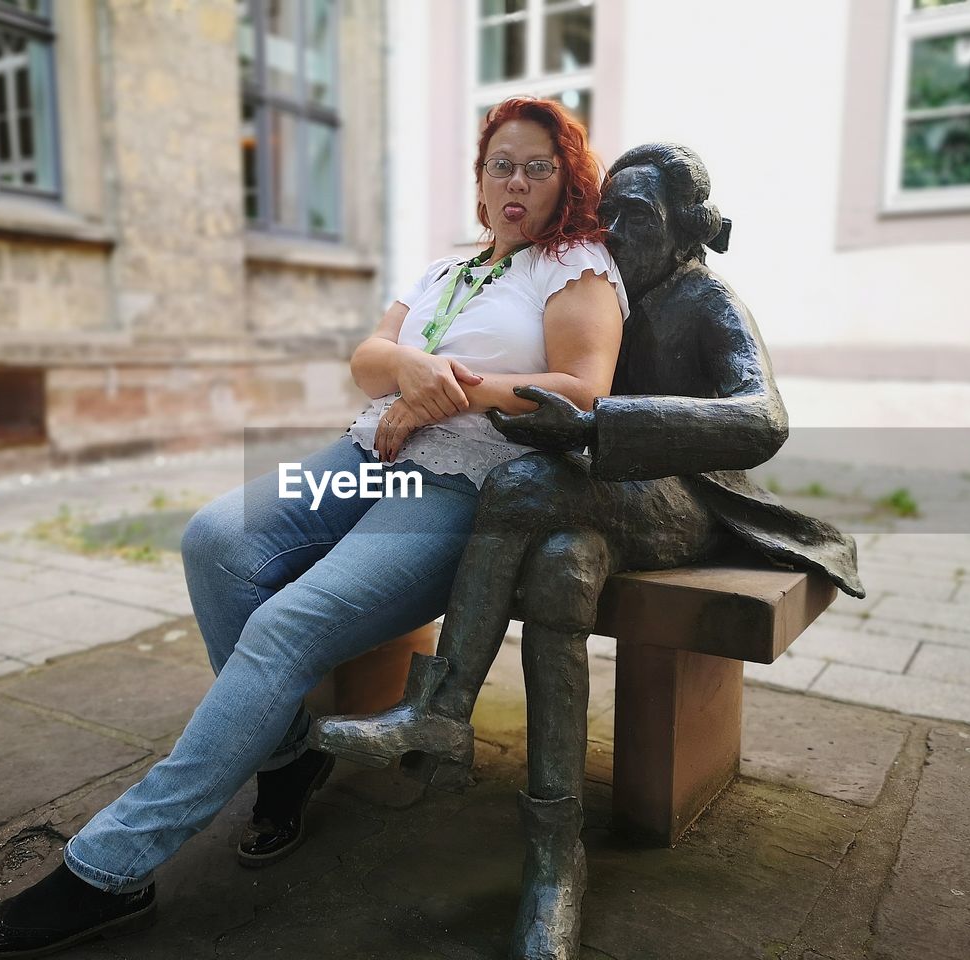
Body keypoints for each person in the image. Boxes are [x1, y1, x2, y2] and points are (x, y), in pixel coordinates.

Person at [0, 96, 627, 958]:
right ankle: (291, 753)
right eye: (502, 165)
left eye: (539, 164)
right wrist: (408, 369)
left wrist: (449, 387)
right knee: (216, 541)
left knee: (287, 625)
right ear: (481, 184)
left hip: (471, 483)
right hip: (365, 449)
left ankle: (109, 868)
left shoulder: (576, 264)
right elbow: (367, 360)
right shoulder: (445, 270)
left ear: (566, 177)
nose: (518, 180)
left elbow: (585, 391)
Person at [311, 142, 865, 960]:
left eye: (633, 216)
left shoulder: (705, 299)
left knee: (518, 493)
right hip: (602, 496)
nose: (611, 228)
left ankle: (441, 709)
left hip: (690, 500)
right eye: (605, 211)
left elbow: (764, 419)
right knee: (563, 563)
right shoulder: (599, 287)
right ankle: (552, 859)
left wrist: (603, 425)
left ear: (688, 229)